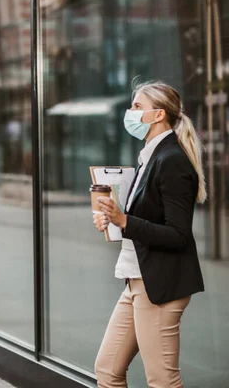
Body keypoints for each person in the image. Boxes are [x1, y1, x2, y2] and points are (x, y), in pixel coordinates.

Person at [93, 81, 206, 388]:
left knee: (162, 380)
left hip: (159, 286)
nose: (130, 113)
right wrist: (114, 222)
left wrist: (125, 220)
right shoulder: (149, 157)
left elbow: (178, 234)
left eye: (137, 107)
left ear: (158, 115)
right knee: (107, 370)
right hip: (136, 280)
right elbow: (144, 220)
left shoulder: (172, 160)